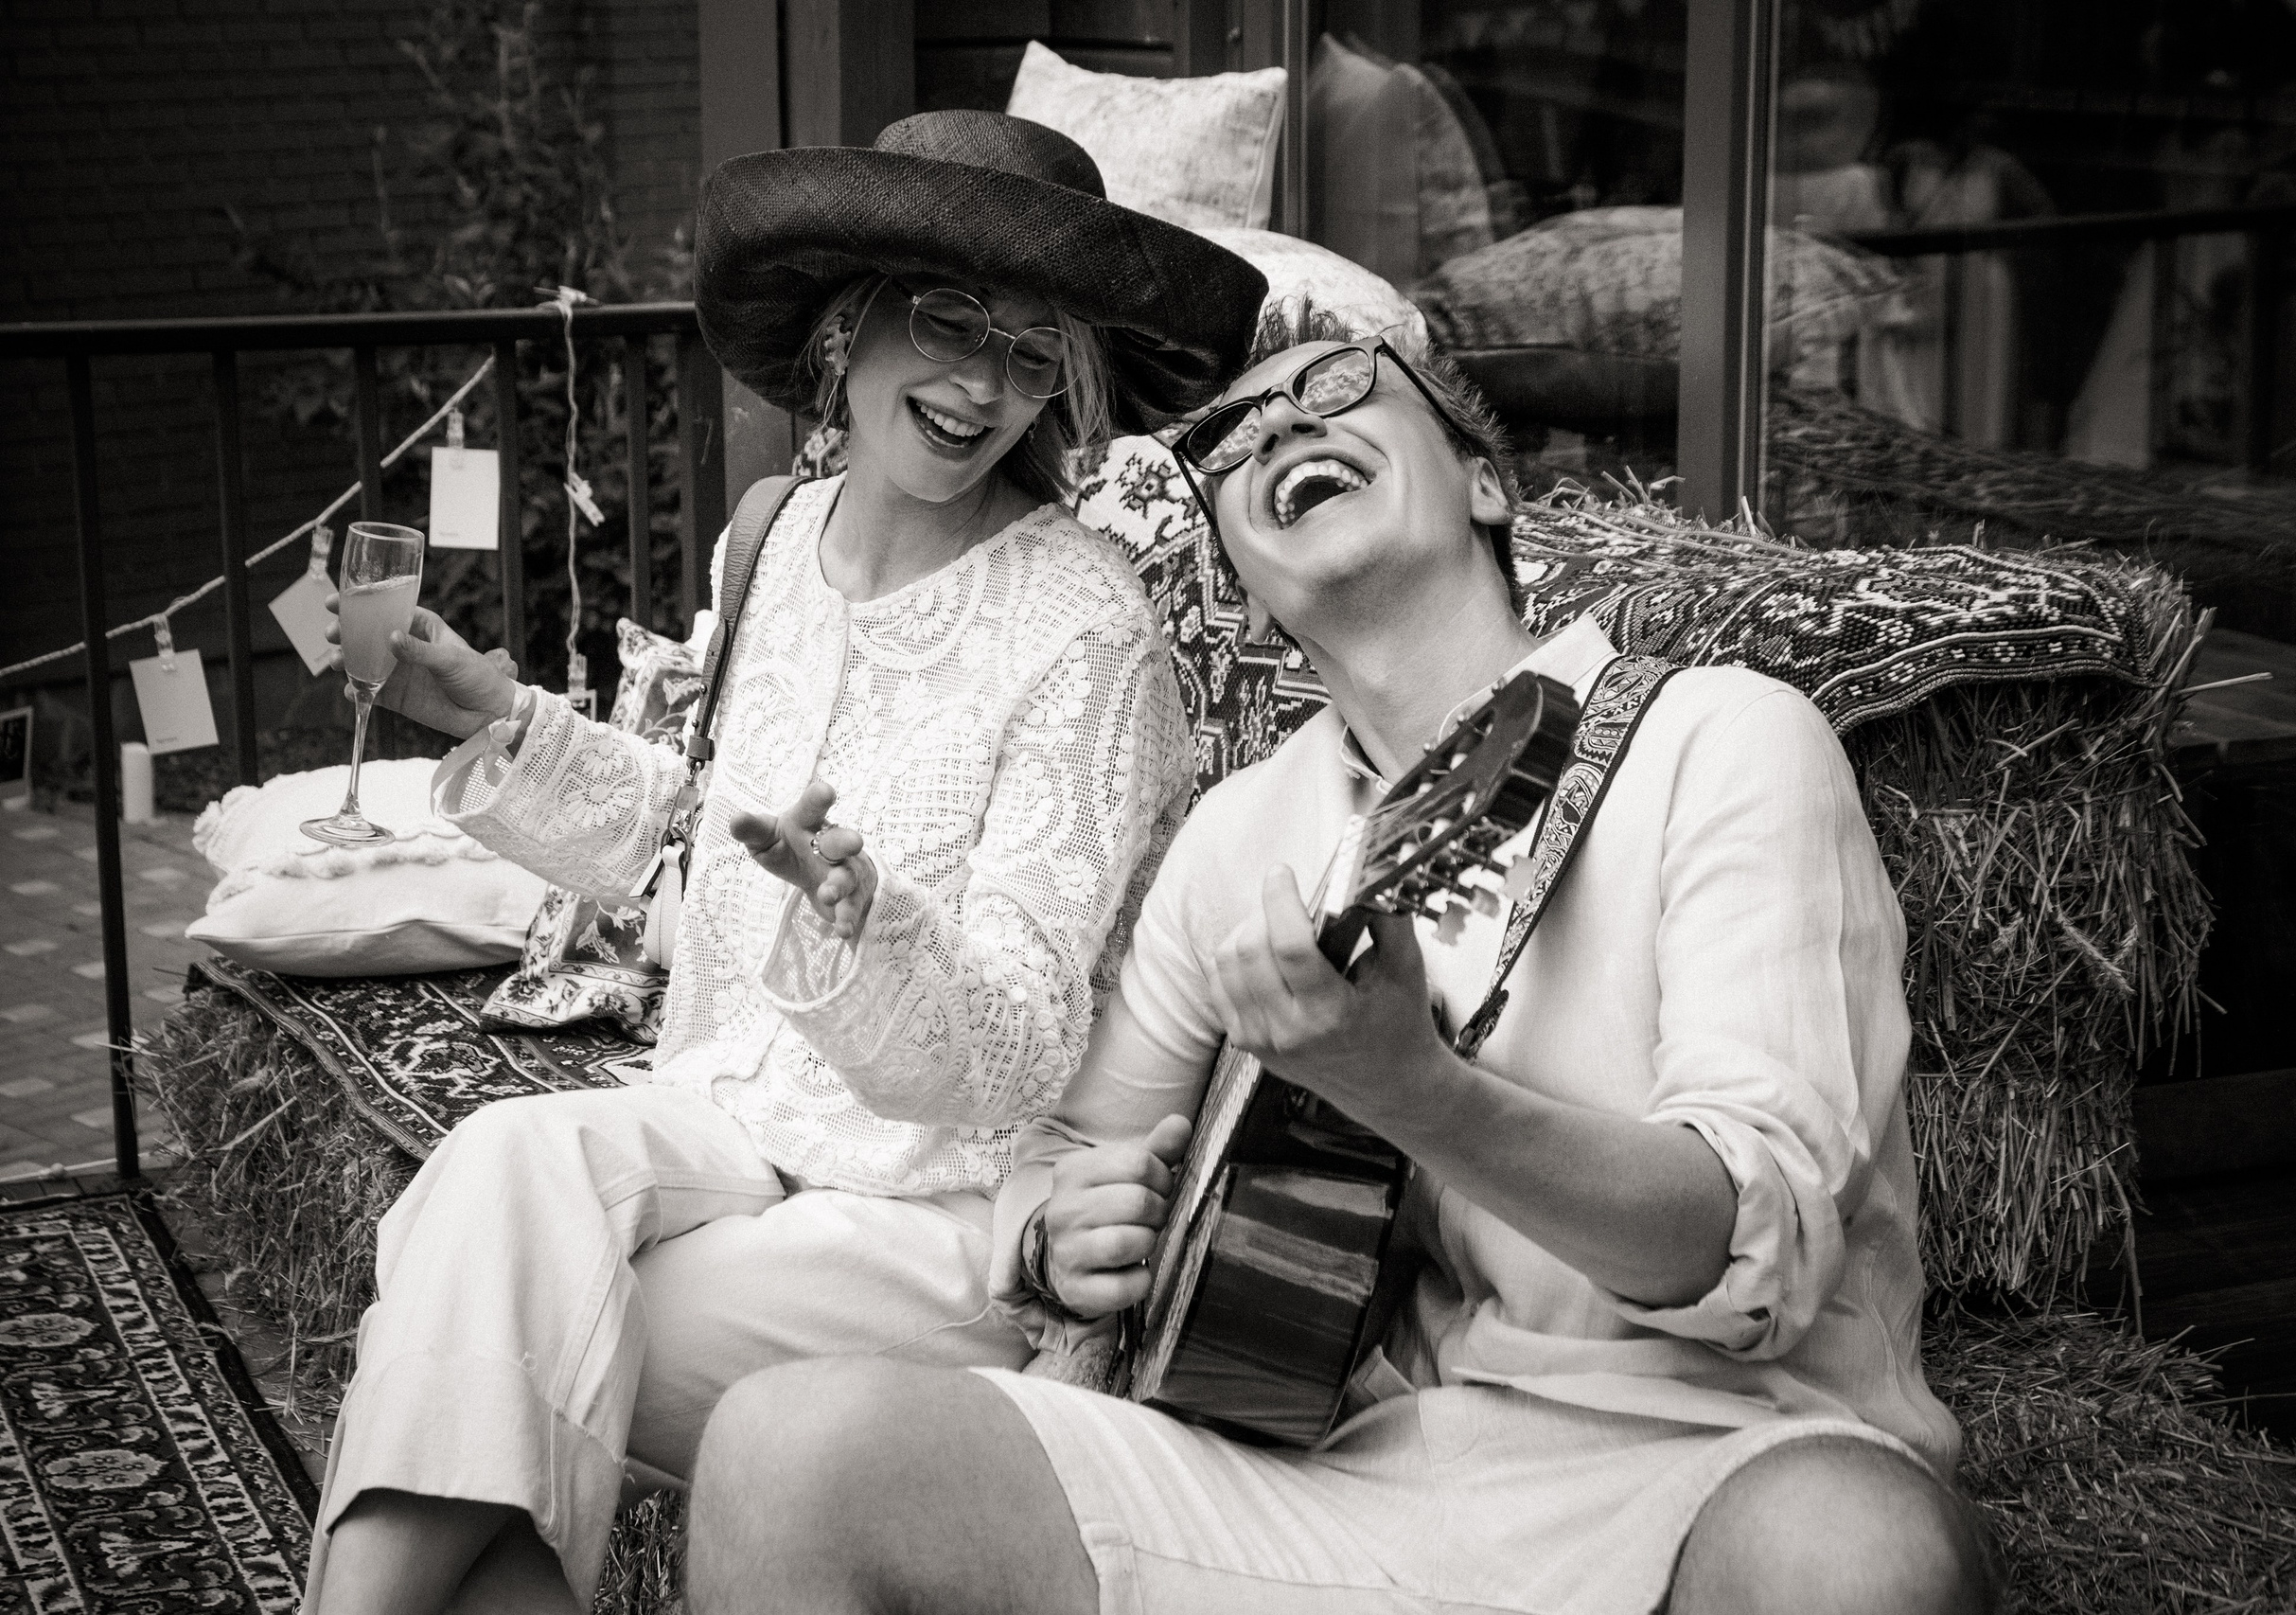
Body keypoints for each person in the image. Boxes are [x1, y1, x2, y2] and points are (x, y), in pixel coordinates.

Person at [682, 313, 2001, 1615]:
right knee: (785, 1448)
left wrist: (1419, 1091)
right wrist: (1058, 1237)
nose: (1280, 428)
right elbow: (1066, 1150)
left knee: (1854, 1556)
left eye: (1338, 386)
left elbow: (1754, 1256)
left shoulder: (1720, 741)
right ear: (1246, 583)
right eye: (1235, 437)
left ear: (1485, 484)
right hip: (1353, 1474)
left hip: (1713, 1458)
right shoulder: (1242, 836)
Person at [301, 112, 1265, 1615]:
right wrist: (498, 716)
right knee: (496, 1175)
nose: (982, 386)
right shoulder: (771, 540)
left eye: (1031, 354)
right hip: (724, 1122)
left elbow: (1021, 1047)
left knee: (482, 1325)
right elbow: (697, 833)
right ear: (846, 320)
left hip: (936, 1211)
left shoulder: (1088, 629)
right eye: (950, 320)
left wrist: (868, 932)